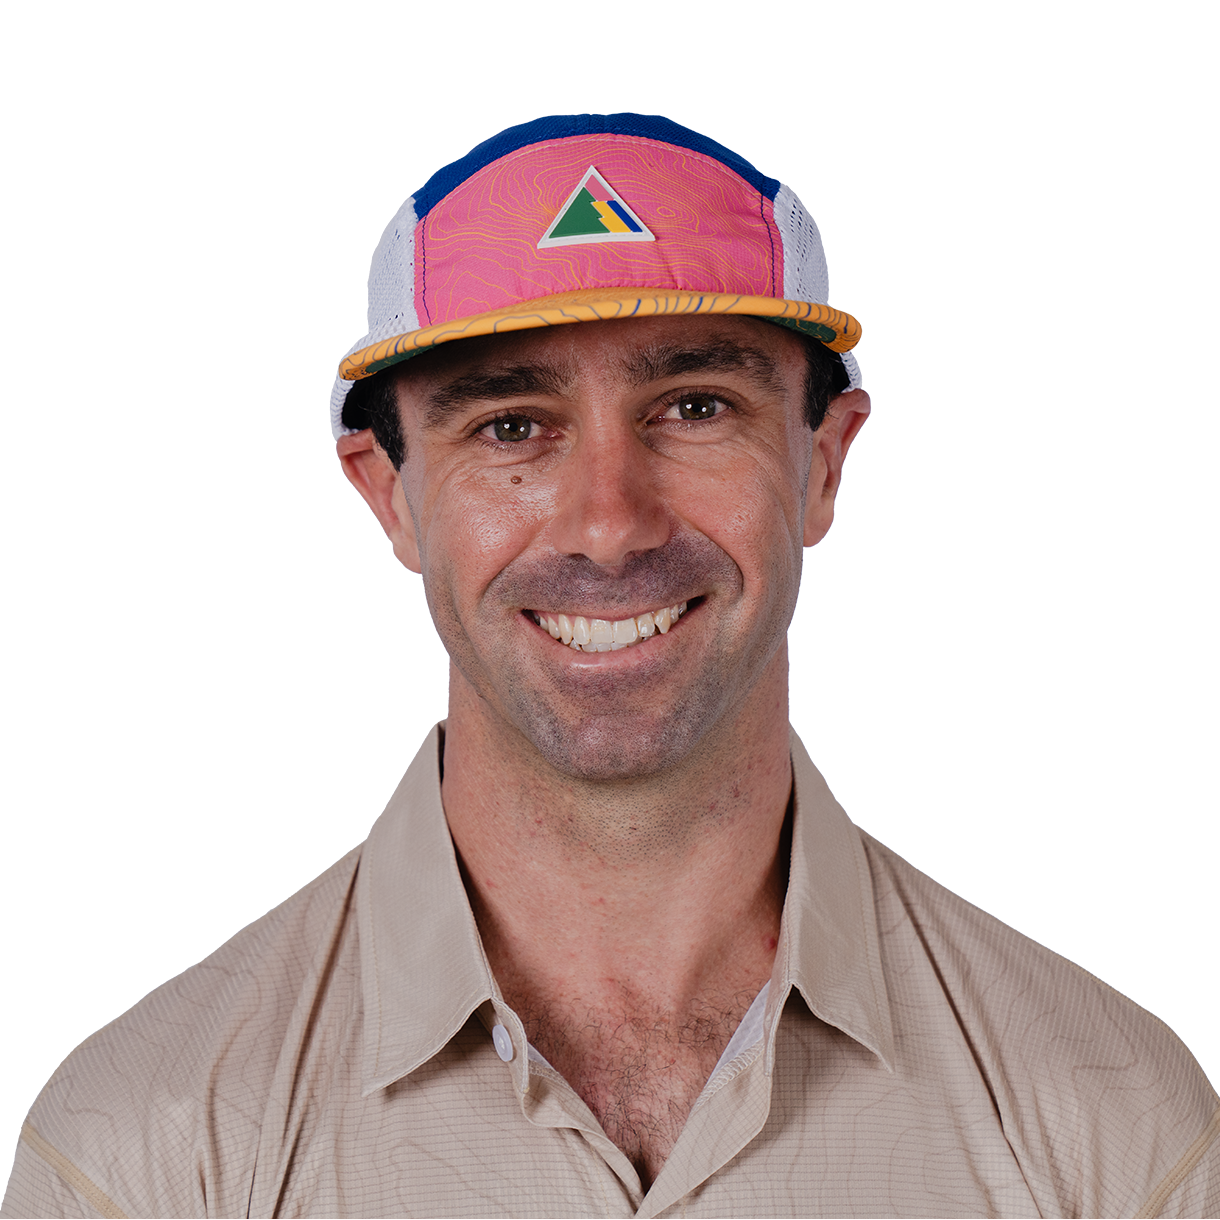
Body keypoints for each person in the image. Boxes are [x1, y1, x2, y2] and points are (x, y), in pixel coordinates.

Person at [5, 113, 1216, 1219]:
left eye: (694, 405)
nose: (607, 523)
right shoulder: (142, 1151)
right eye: (510, 426)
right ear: (390, 499)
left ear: (823, 465)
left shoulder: (1118, 1134)